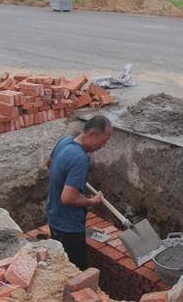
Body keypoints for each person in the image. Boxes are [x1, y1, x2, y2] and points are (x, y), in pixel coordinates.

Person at [46, 115, 113, 269]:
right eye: (104, 141)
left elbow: (49, 163)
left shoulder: (65, 141)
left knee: (60, 265)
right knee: (77, 273)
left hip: (53, 217)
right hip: (68, 227)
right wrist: (92, 201)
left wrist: (67, 177)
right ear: (92, 135)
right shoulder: (80, 158)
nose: (103, 145)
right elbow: (68, 198)